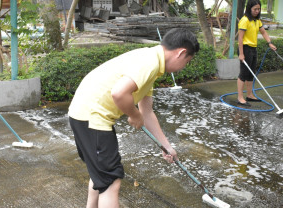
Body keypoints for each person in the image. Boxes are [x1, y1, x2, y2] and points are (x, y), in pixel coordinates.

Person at [68, 28, 200, 208]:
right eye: (188, 61)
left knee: (100, 175)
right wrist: (133, 114)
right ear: (181, 53)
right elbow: (119, 93)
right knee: (110, 181)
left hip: (85, 114)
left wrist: (166, 146)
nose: (185, 66)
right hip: (92, 117)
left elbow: (147, 113)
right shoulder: (149, 62)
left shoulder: (152, 63)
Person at [237, 0, 277, 106]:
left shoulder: (257, 20)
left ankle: (249, 95)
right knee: (243, 74)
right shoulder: (245, 20)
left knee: (251, 73)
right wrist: (241, 54)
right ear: (249, 8)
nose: (257, 11)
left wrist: (270, 42)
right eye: (255, 9)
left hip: (253, 49)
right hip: (245, 48)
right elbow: (240, 38)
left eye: (259, 9)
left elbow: (263, 32)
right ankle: (240, 97)